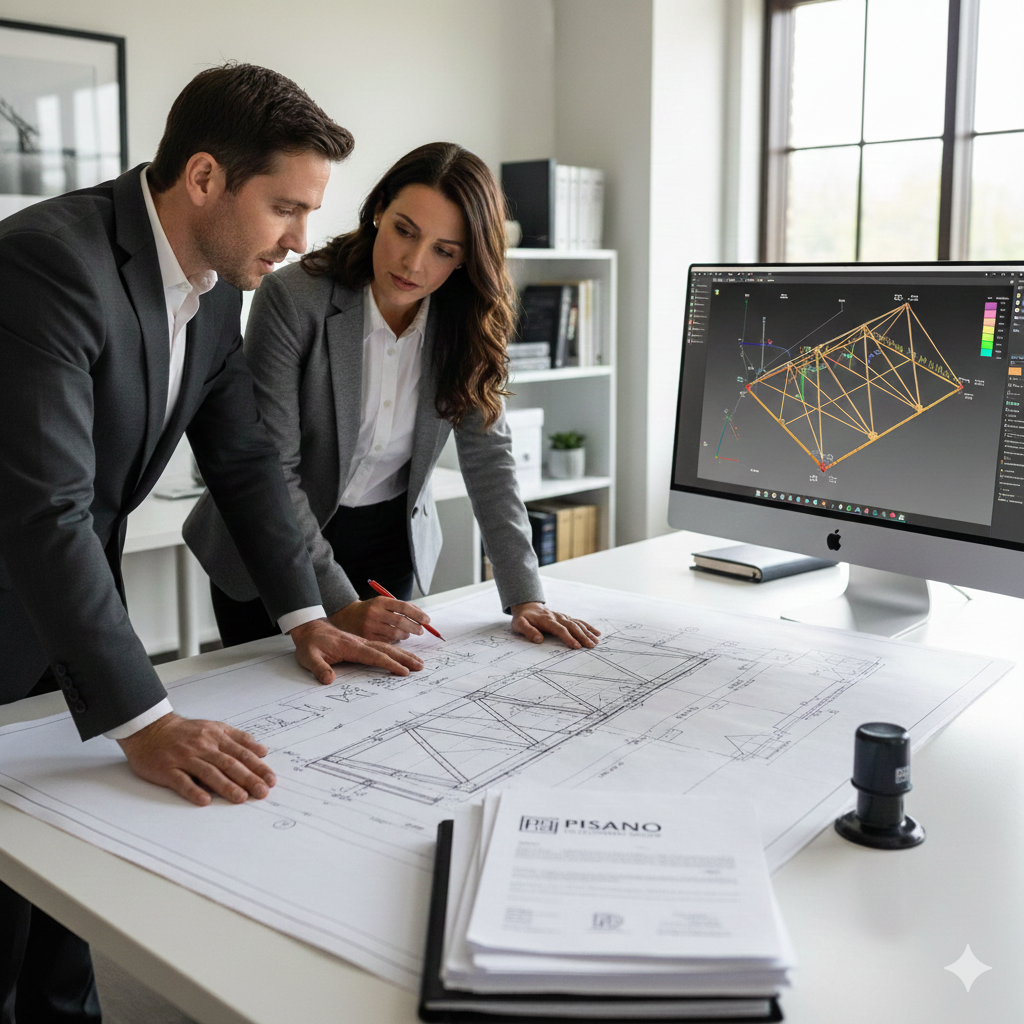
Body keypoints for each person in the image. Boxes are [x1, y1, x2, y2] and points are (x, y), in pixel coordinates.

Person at [0, 64, 422, 1024]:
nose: (300, 240)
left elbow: (248, 465)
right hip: (13, 593)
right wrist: (146, 723)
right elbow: (45, 512)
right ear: (202, 180)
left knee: (67, 916)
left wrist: (312, 613)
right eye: (285, 207)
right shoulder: (46, 264)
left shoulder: (221, 279)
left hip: (69, 608)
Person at [184, 142, 600, 651]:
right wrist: (340, 604)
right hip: (273, 547)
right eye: (405, 230)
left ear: (466, 259)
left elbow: (489, 459)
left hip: (388, 545)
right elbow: (273, 468)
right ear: (379, 209)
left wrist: (525, 596)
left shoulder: (466, 324)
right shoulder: (295, 299)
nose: (413, 262)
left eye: (444, 250)